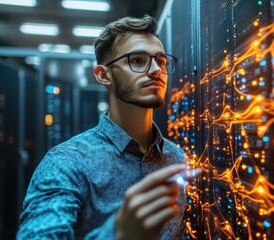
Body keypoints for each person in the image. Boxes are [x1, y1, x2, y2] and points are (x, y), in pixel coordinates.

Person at [17, 15, 188, 239]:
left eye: (161, 61)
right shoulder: (67, 164)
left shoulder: (175, 157)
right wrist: (118, 233)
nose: (156, 70)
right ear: (103, 75)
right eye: (137, 60)